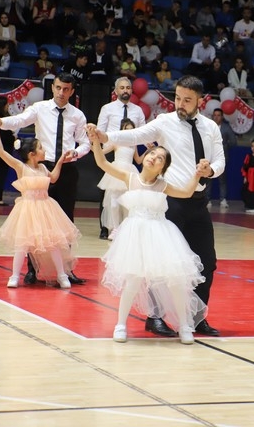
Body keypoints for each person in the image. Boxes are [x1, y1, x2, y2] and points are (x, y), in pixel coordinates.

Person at [88, 75, 224, 338]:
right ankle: (155, 317)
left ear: (200, 101)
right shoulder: (165, 122)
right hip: (170, 201)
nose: (180, 104)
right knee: (159, 263)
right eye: (177, 98)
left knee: (206, 262)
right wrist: (106, 136)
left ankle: (197, 319)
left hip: (198, 201)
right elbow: (136, 134)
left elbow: (220, 161)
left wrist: (210, 170)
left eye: (187, 100)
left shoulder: (211, 128)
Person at [92, 140, 207, 344]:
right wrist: (94, 140)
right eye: (153, 153)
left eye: (160, 157)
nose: (154, 157)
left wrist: (198, 174)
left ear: (163, 167)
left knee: (175, 281)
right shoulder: (129, 177)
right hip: (135, 234)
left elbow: (187, 193)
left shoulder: (163, 185)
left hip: (160, 234)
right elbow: (102, 163)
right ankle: (120, 324)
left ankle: (183, 325)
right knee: (133, 280)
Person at [0, 72, 90, 286]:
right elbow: (20, 120)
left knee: (65, 222)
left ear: (72, 91)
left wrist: (76, 153)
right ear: (53, 87)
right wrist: (0, 121)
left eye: (66, 89)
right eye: (58, 88)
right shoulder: (40, 108)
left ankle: (66, 270)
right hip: (41, 168)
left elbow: (85, 143)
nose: (62, 93)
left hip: (67, 167)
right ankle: (32, 270)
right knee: (34, 224)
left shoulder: (78, 115)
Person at [0, 124, 79, 288]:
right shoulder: (21, 167)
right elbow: (0, 151)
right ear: (32, 154)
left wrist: (60, 161)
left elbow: (53, 179)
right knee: (22, 244)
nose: (44, 150)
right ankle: (15, 276)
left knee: (53, 242)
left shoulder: (43, 167)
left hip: (45, 208)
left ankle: (61, 275)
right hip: (27, 209)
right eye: (41, 148)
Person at [96, 77, 146, 239]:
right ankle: (105, 227)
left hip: (129, 152)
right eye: (122, 88)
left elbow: (143, 132)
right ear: (116, 91)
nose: (125, 90)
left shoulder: (137, 111)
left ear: (132, 90)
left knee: (127, 196)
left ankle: (126, 227)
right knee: (107, 194)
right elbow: (100, 130)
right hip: (111, 151)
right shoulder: (107, 108)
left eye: (128, 88)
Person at [209, 108, 236, 209]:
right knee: (208, 179)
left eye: (218, 115)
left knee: (222, 180)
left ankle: (223, 199)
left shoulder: (226, 127)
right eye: (214, 115)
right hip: (209, 157)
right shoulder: (209, 127)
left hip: (222, 157)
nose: (216, 117)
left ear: (222, 117)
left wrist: (224, 147)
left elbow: (233, 141)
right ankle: (207, 200)